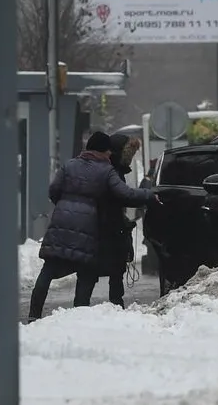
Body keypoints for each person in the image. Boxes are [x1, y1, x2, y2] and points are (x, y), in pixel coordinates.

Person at [28, 130, 159, 321]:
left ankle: (34, 314)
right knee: (86, 271)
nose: (109, 155)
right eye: (107, 151)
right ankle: (79, 314)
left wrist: (66, 205)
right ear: (102, 151)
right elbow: (125, 194)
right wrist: (149, 196)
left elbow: (53, 191)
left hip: (61, 222)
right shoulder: (106, 171)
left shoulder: (69, 165)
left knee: (48, 269)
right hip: (88, 227)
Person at [81, 131, 143, 307]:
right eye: (129, 155)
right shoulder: (111, 172)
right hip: (108, 226)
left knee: (96, 268)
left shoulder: (112, 170)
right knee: (111, 267)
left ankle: (83, 305)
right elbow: (121, 197)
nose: (130, 159)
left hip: (104, 225)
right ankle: (114, 304)